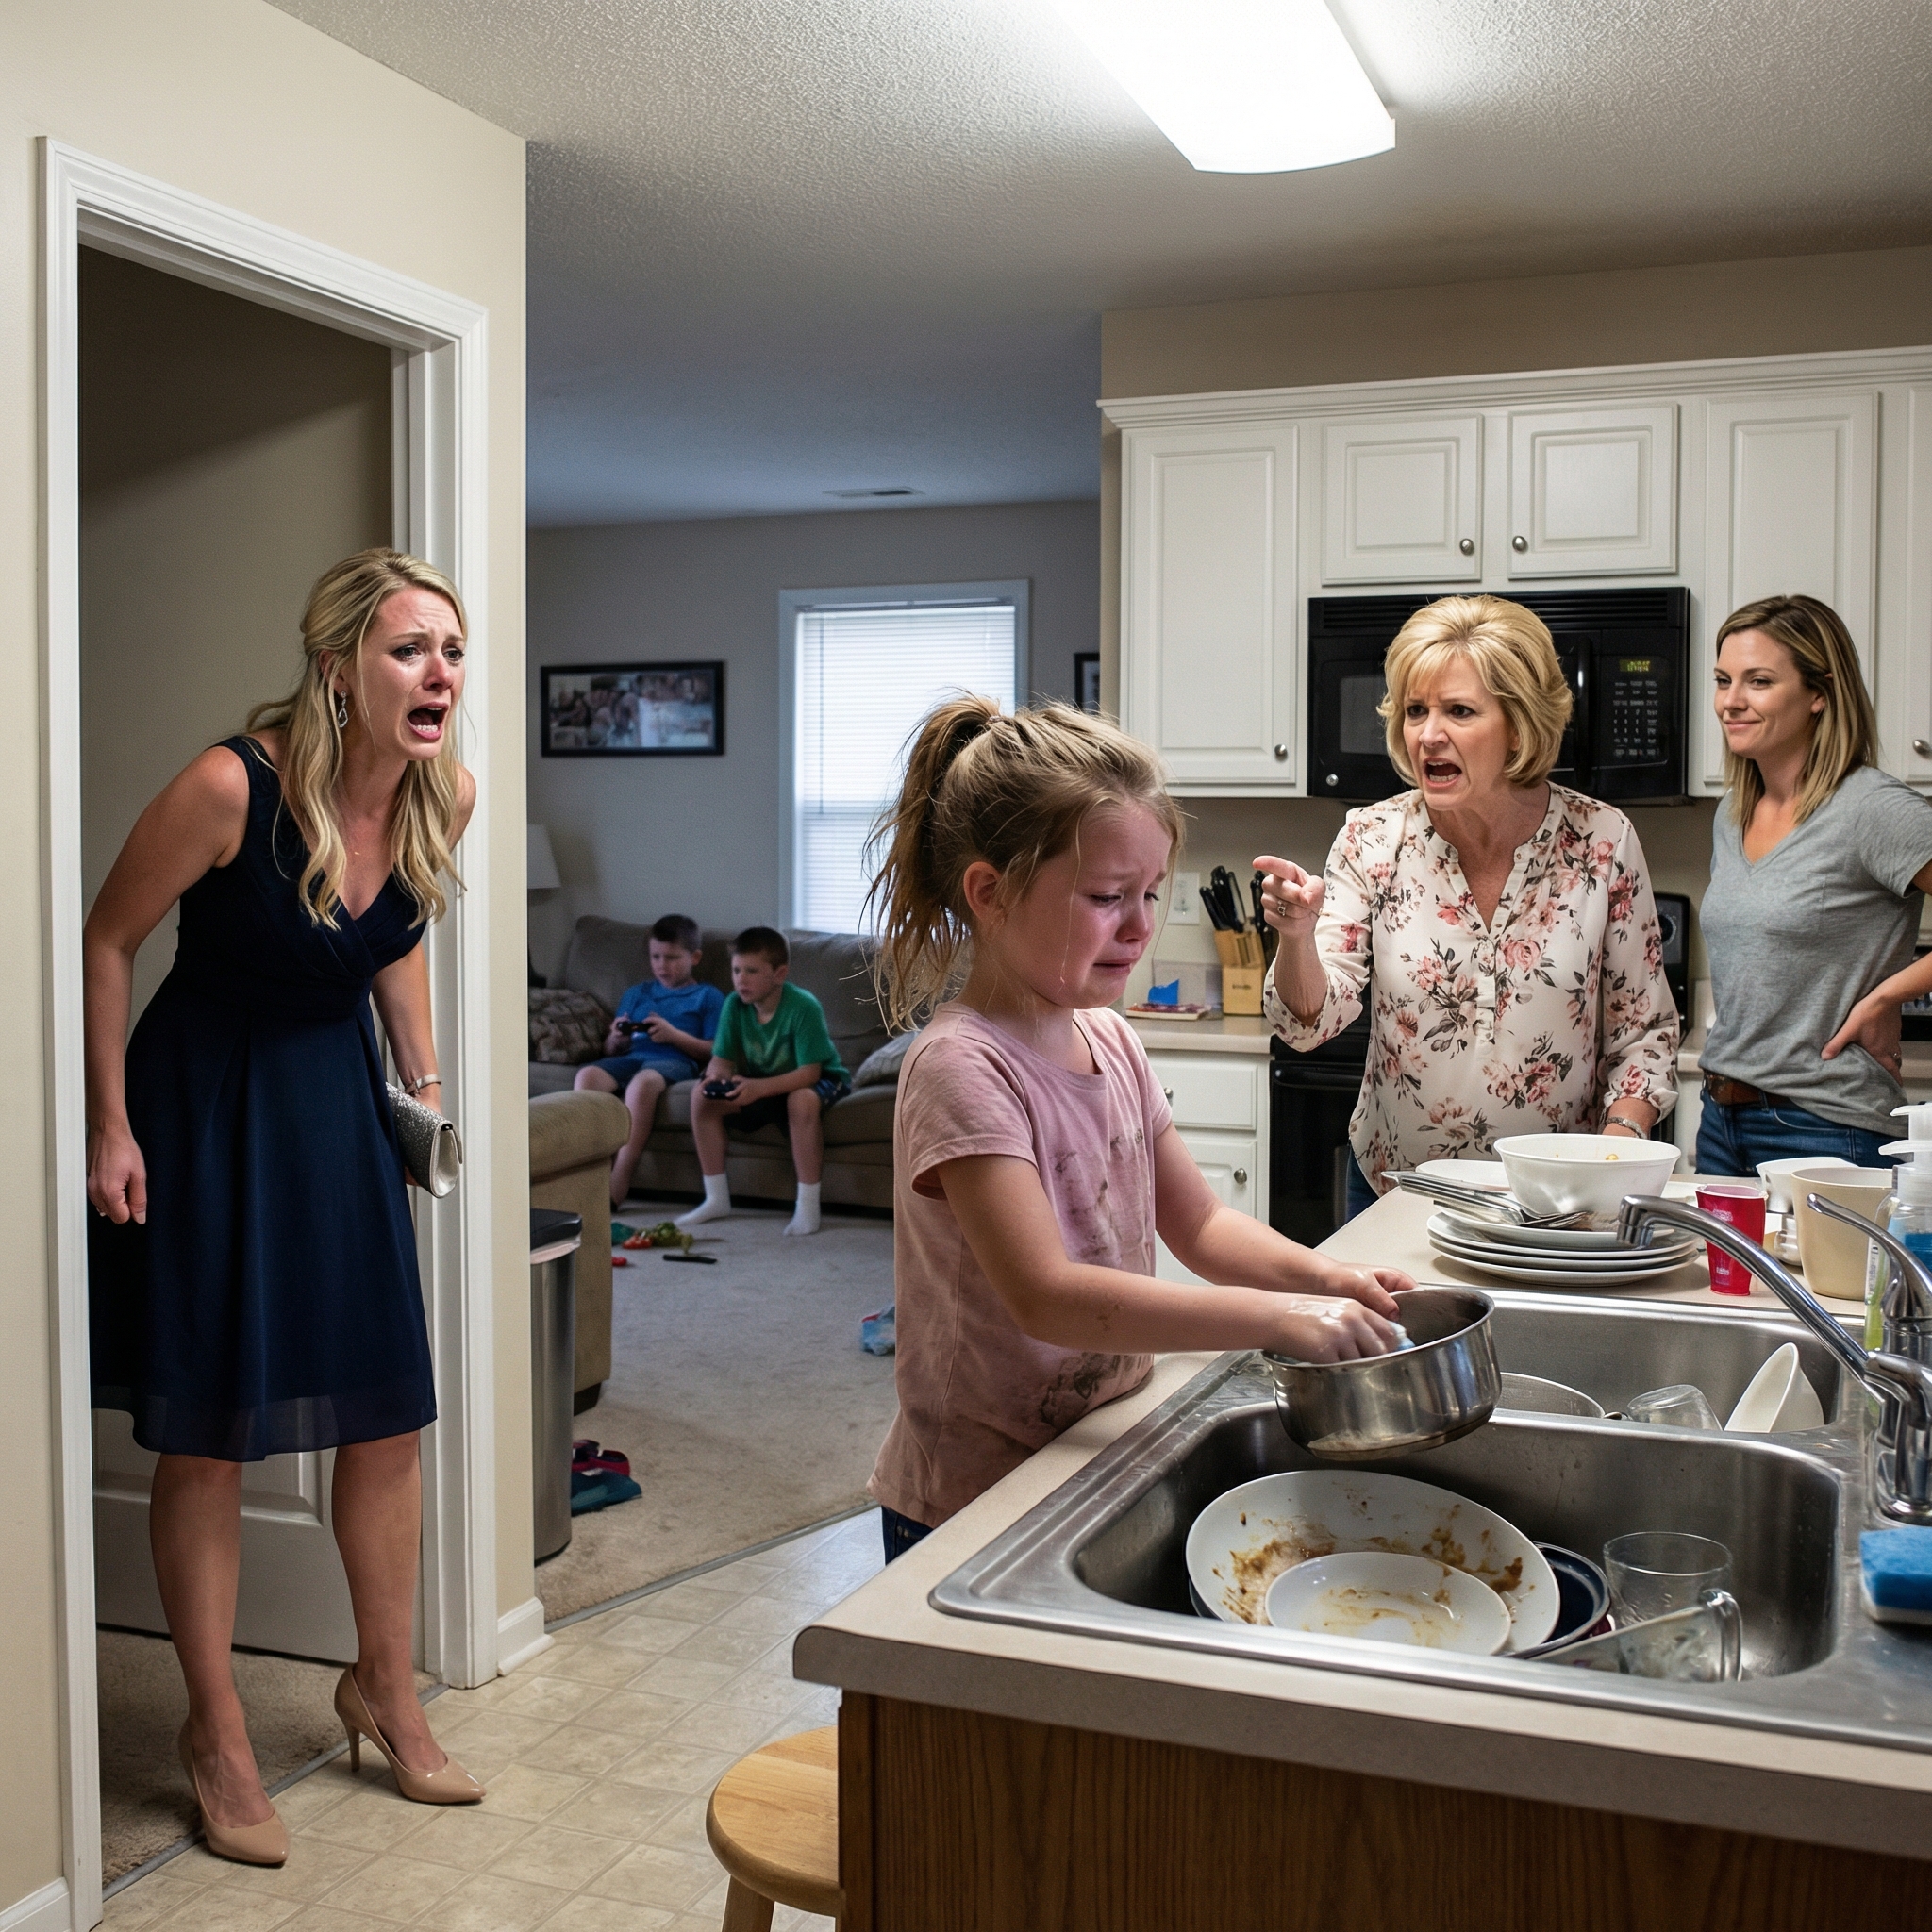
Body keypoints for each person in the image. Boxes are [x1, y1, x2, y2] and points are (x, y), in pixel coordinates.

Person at [85, 550, 484, 1866]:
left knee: (385, 1415)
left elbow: (394, 933)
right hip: (206, 1109)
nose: (439, 674)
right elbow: (106, 938)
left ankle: (387, 1691)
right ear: (337, 667)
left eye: (452, 651)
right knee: (210, 1432)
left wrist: (423, 1090)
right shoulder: (228, 786)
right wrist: (109, 1125)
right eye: (409, 649)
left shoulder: (444, 790)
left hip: (337, 1107)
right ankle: (215, 1733)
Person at [864, 698, 1408, 1562]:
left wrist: (1329, 1278)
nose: (1141, 924)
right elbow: (1047, 1295)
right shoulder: (962, 1065)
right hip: (973, 1494)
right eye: (1106, 897)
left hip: (1095, 1443)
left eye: (1150, 893)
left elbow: (1201, 1224)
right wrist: (1278, 1318)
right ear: (990, 893)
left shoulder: (1110, 1038)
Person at [1257, 594, 1680, 1221]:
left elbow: (1644, 1033)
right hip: (1398, 1190)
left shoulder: (1602, 840)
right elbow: (1308, 1025)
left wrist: (1614, 1151)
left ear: (1519, 725)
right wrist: (1296, 936)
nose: (1429, 734)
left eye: (1459, 711)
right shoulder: (1372, 838)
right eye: (1415, 711)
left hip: (1559, 1200)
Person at [1695, 593, 1932, 1175]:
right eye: (1724, 680)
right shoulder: (1732, 813)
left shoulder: (1873, 809)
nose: (1731, 701)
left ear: (1819, 694)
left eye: (1759, 681)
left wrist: (1886, 996)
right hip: (1720, 1120)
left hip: (1827, 1126)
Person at [677, 927, 851, 1237]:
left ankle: (807, 1207)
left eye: (752, 971)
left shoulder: (804, 1006)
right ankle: (716, 1198)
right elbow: (721, 1061)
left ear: (779, 974)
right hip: (764, 1081)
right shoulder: (734, 1005)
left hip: (821, 1078)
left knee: (801, 1099)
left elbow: (810, 1074)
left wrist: (758, 1088)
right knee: (701, 1097)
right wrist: (714, 1077)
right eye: (736, 970)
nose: (741, 979)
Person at [575, 913, 725, 1205]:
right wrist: (617, 1038)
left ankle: (620, 1177)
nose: (662, 965)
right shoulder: (637, 993)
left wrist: (673, 1035)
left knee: (642, 1085)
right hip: (632, 1056)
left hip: (674, 1062)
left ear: (694, 957)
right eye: (656, 957)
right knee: (587, 1076)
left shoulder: (707, 996)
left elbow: (714, 1051)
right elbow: (610, 1050)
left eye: (672, 958)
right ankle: (592, 1170)